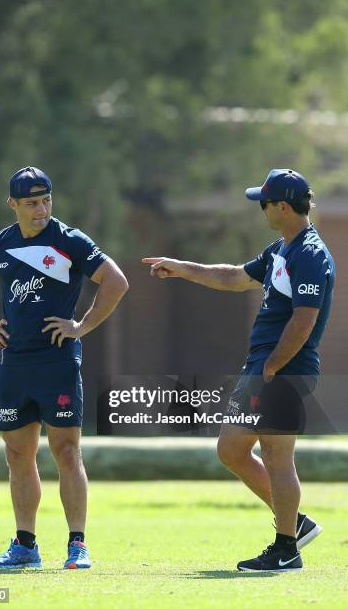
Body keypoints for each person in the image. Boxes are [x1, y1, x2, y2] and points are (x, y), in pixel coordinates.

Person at [142, 168, 335, 572]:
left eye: (263, 203)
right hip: (264, 367)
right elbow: (235, 276)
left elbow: (304, 320)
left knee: (276, 456)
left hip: (283, 367)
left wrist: (272, 366)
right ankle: (295, 523)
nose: (261, 209)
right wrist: (181, 267)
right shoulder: (281, 249)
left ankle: (286, 549)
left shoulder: (311, 254)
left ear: (282, 206)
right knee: (231, 449)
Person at [0, 166, 128, 570]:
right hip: (14, 364)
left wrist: (81, 326)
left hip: (58, 363)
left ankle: (77, 545)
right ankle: (25, 546)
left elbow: (116, 281)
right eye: (31, 203)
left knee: (66, 451)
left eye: (46, 200)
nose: (41, 209)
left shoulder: (69, 241)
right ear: (13, 204)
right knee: (18, 454)